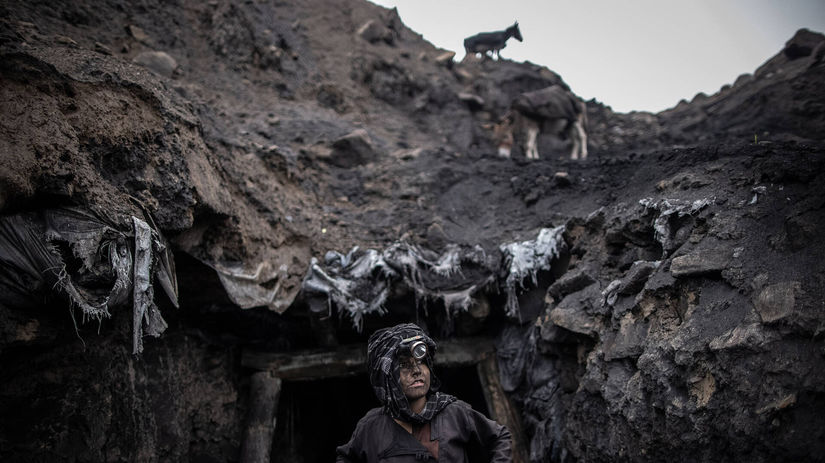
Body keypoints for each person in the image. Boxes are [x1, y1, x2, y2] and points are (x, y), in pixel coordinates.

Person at [336, 323, 512, 462]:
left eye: (421, 362)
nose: (416, 370)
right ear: (387, 377)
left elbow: (500, 438)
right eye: (404, 365)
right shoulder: (371, 427)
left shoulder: (454, 413)